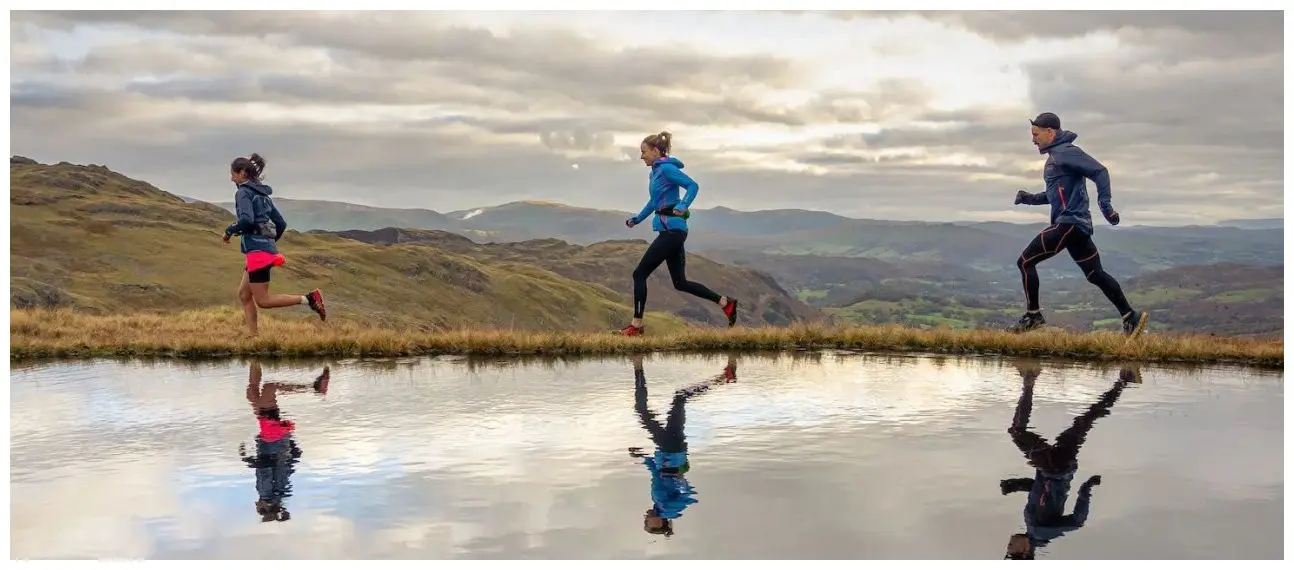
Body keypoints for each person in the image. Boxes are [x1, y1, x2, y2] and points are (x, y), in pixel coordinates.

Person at [1012, 113, 1148, 337]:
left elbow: (1100, 171)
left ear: (1050, 132)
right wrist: (1029, 199)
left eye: (1036, 135)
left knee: (1025, 262)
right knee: (1095, 274)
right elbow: (1054, 194)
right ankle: (1130, 316)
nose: (1033, 140)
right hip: (1078, 227)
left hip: (1068, 224)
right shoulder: (1056, 157)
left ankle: (1033, 316)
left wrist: (1106, 206)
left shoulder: (1066, 152)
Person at [1001, 360, 1140, 559]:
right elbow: (1077, 521)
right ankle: (1029, 379)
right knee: (1017, 431)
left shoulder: (1035, 528)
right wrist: (1086, 489)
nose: (1009, 543)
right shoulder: (1040, 532)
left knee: (1085, 420)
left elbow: (1038, 489)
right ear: (1024, 551)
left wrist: (1014, 485)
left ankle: (1124, 381)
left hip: (1059, 468)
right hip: (1054, 468)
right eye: (1010, 548)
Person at [616, 131, 738, 336]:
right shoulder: (654, 172)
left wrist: (683, 205)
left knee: (639, 274)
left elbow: (693, 185)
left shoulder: (666, 169)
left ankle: (636, 326)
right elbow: (654, 202)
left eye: (644, 152)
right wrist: (637, 219)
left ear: (655, 151)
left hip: (673, 231)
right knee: (680, 283)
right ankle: (725, 302)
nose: (641, 156)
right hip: (672, 231)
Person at [627, 354, 738, 537]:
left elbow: (655, 473)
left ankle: (724, 378)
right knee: (643, 411)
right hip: (671, 452)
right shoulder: (669, 510)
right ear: (659, 523)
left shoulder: (658, 503)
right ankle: (638, 366)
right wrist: (678, 478)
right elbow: (688, 497)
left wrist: (642, 457)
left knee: (679, 398)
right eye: (648, 525)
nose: (645, 520)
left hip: (669, 450)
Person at [222, 153, 327, 337]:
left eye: (233, 174)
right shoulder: (264, 196)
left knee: (263, 300)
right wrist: (268, 244)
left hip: (257, 252)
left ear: (242, 173)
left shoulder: (243, 193)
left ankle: (309, 299)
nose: (231, 178)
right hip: (262, 250)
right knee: (244, 294)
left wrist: (230, 231)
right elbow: (281, 224)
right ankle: (253, 337)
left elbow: (246, 220)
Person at [240, 362, 328, 522]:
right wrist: (248, 460)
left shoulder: (279, 492)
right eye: (259, 509)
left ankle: (255, 358)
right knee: (269, 387)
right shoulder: (266, 493)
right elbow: (265, 467)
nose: (256, 505)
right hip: (272, 437)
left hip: (275, 438)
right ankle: (314, 388)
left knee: (253, 392)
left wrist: (293, 447)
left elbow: (287, 466)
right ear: (264, 507)